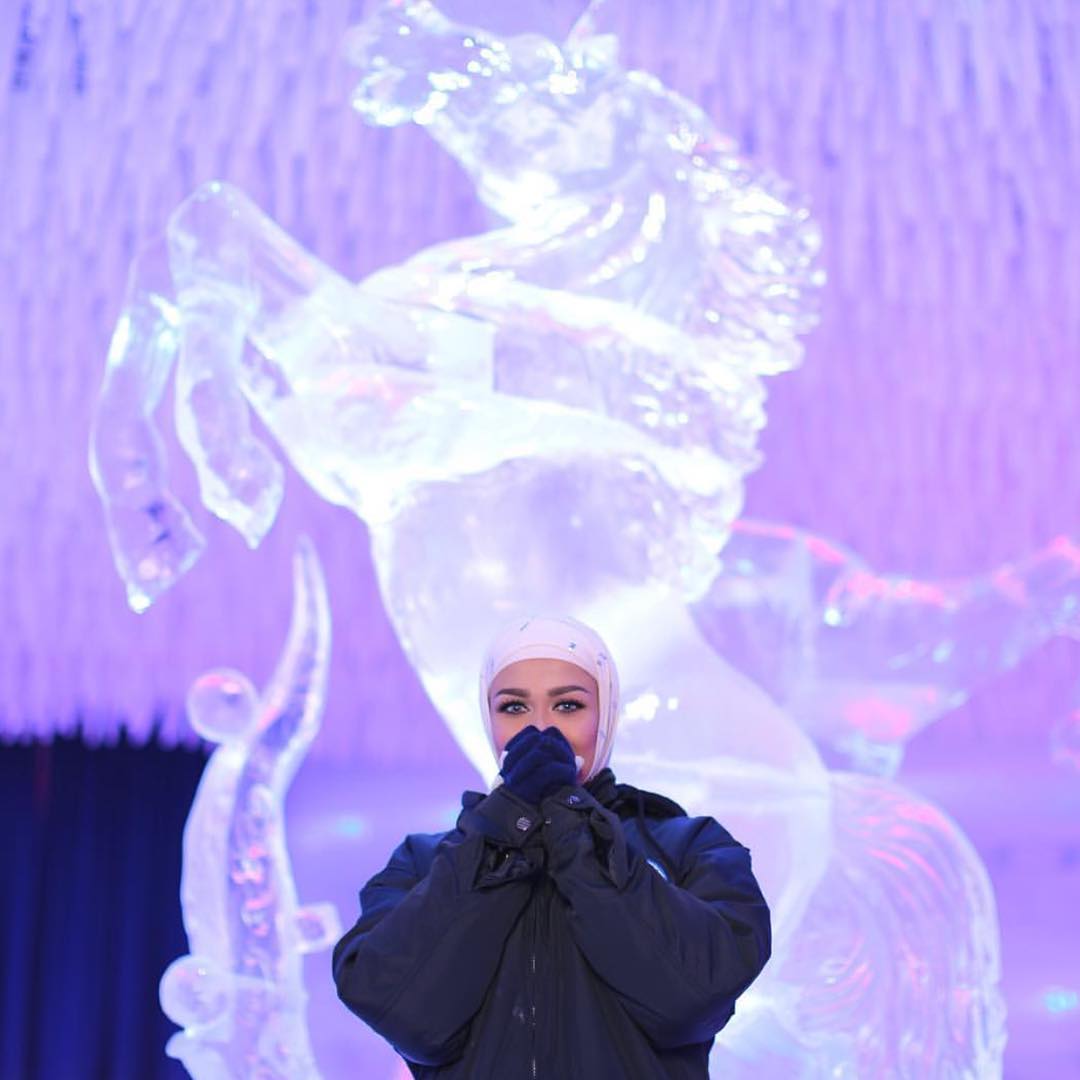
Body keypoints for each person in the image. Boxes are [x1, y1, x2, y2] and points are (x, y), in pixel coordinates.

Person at [332, 615, 771, 1078]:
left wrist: (573, 822)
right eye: (514, 708)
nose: (541, 729)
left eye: (567, 706)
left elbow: (692, 1001)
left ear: (606, 715)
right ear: (488, 721)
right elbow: (401, 1011)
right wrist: (506, 827)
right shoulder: (423, 862)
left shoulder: (688, 846)